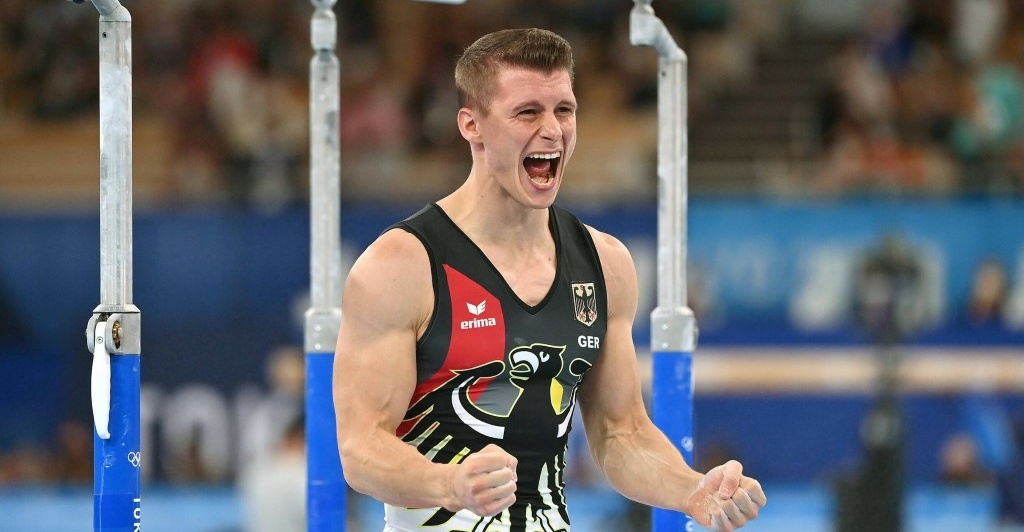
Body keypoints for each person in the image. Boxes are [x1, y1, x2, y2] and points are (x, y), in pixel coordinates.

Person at [333, 28, 766, 531]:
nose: (553, 130)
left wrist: (691, 490)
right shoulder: (401, 266)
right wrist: (447, 483)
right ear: (471, 125)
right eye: (527, 113)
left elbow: (620, 433)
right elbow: (361, 448)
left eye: (564, 110)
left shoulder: (604, 263)